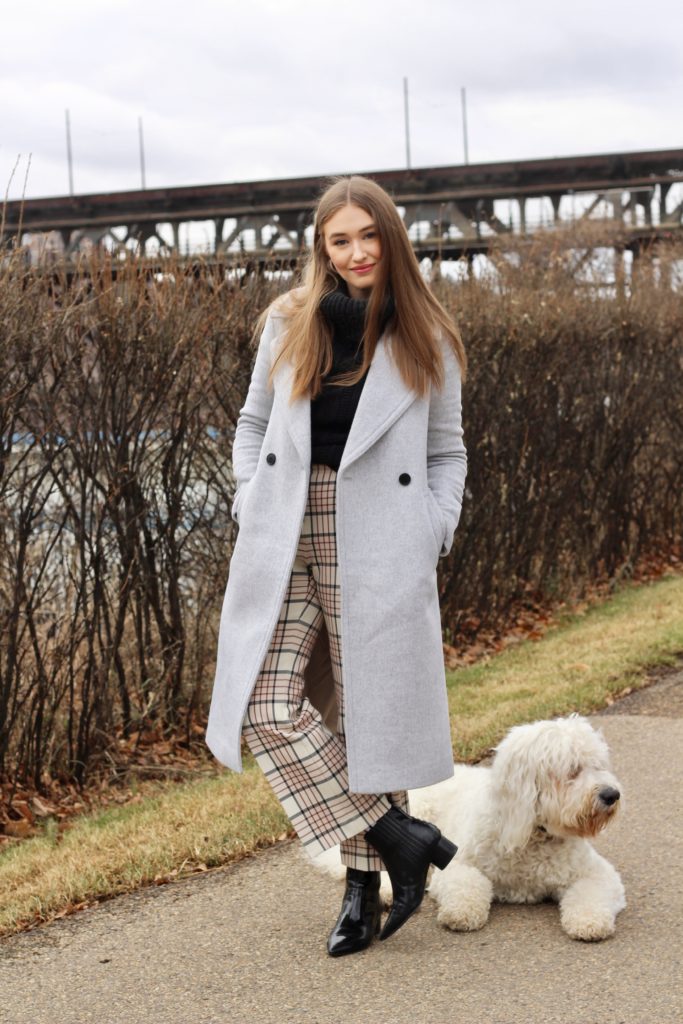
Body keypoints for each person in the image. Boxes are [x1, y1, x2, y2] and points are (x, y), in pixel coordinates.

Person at [205, 175, 468, 957]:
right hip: (286, 526)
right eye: (338, 241)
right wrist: (250, 497)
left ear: (391, 236)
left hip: (382, 533)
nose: (355, 253)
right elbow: (253, 422)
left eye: (368, 235)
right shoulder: (289, 322)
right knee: (266, 699)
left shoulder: (428, 334)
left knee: (367, 710)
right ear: (321, 249)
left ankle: (361, 884)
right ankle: (398, 834)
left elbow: (447, 450)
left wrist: (433, 529)